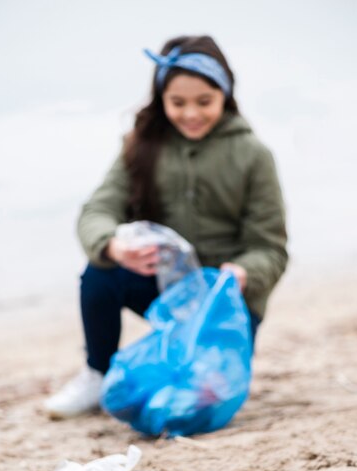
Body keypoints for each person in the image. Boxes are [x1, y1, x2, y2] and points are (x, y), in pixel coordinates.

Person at [44, 34, 288, 419]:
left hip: (225, 302)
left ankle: (186, 355)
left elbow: (270, 248)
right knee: (100, 272)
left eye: (204, 102)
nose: (191, 113)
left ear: (225, 95)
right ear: (161, 100)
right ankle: (97, 373)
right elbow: (96, 211)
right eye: (178, 103)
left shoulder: (253, 155)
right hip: (166, 287)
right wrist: (114, 246)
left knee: (196, 402)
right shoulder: (140, 145)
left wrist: (244, 273)